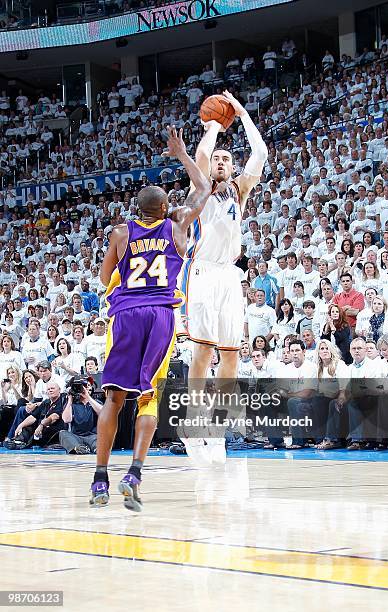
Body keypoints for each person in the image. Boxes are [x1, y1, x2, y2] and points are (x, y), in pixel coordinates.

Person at [90, 127, 211, 510]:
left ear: (137, 209)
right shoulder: (177, 227)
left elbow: (103, 277)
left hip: (125, 315)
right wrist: (181, 154)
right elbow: (205, 188)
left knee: (113, 397)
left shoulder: (120, 234)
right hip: (161, 315)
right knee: (149, 397)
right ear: (164, 207)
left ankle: (98, 480)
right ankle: (135, 473)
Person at [179, 90, 267, 464]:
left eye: (226, 159)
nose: (219, 161)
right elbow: (199, 155)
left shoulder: (239, 190)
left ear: (232, 168)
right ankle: (192, 421)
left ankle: (217, 422)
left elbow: (260, 154)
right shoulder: (200, 187)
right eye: (216, 158)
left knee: (231, 356)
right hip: (201, 273)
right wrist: (214, 125)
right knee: (203, 351)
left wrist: (243, 112)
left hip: (231, 277)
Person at [59, 379, 103, 454]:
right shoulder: (71, 404)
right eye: (82, 387)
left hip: (93, 436)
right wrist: (70, 400)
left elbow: (103, 413)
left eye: (88, 386)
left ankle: (97, 448)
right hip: (76, 436)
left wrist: (88, 397)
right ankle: (79, 448)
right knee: (63, 433)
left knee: (101, 437)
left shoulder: (96, 402)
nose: (85, 388)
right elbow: (66, 420)